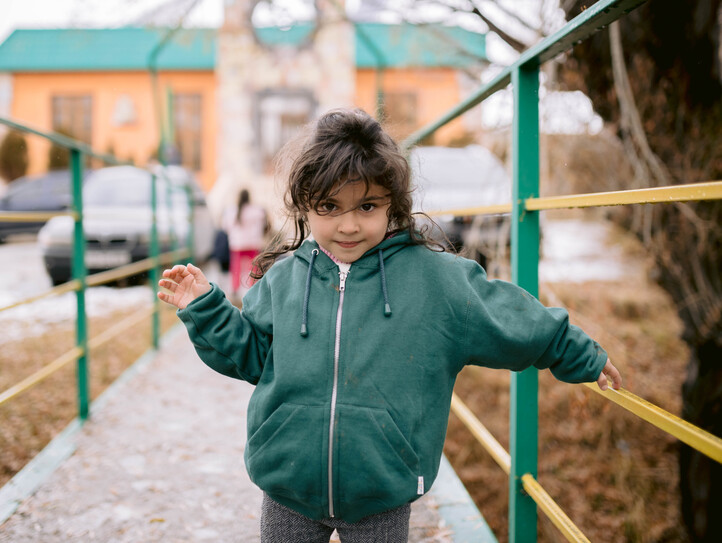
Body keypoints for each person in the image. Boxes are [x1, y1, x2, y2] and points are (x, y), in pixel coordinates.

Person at [157, 108, 622, 543]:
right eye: (329, 207)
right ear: (305, 206)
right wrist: (206, 308)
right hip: (288, 482)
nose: (348, 225)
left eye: (366, 207)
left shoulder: (435, 281)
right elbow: (251, 354)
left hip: (382, 488)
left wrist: (579, 354)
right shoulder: (283, 278)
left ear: (392, 205)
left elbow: (510, 320)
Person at [222, 188, 267, 298]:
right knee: (254, 267)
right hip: (253, 243)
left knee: (236, 268)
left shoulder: (231, 211)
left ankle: (235, 289)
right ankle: (254, 287)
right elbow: (264, 224)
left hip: (237, 244)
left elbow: (225, 227)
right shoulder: (257, 210)